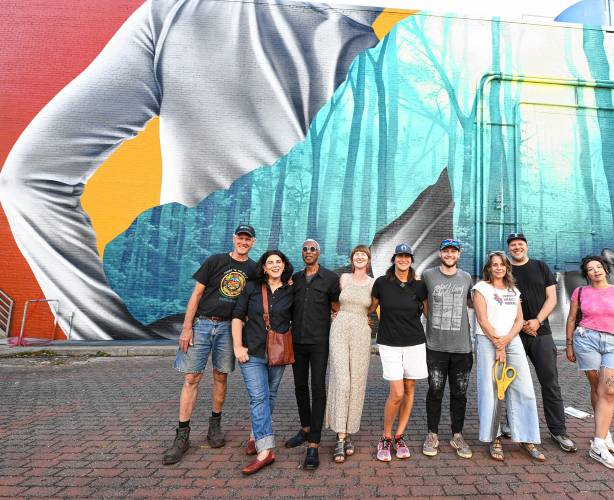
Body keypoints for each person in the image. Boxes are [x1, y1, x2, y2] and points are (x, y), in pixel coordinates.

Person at [0, 0, 382, 340]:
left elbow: (29, 181)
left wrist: (107, 331)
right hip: (267, 323)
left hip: (204, 316)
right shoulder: (382, 64)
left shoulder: (174, 13)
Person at [162, 224, 256, 465]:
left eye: (248, 239)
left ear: (253, 242)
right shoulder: (215, 261)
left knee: (221, 376)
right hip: (203, 325)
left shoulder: (253, 269)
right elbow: (196, 294)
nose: (243, 242)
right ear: (234, 238)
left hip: (228, 328)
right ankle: (182, 435)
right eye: (241, 238)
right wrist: (186, 327)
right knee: (192, 378)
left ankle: (215, 425)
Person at [565, 255, 614, 470]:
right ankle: (602, 436)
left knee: (608, 391)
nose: (596, 271)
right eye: (590, 269)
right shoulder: (580, 292)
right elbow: (571, 319)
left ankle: (598, 442)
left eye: (599, 267)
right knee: (596, 388)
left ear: (606, 270)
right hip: (586, 340)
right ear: (586, 274)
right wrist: (569, 345)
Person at [506, 232, 577, 453]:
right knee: (510, 383)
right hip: (513, 334)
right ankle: (512, 424)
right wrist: (520, 324)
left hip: (541, 333)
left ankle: (558, 430)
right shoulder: (504, 270)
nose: (517, 248)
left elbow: (552, 298)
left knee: (550, 382)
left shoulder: (541, 267)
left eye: (520, 244)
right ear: (509, 249)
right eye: (513, 245)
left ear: (526, 246)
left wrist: (537, 321)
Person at [472, 251, 545, 462]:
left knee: (524, 388)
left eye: (501, 265)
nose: (498, 268)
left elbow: (519, 320)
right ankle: (493, 437)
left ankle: (526, 437)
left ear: (506, 268)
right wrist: (498, 343)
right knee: (491, 390)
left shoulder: (514, 291)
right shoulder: (480, 289)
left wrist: (505, 342)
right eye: (494, 264)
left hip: (511, 340)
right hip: (488, 340)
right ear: (489, 268)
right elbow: (482, 319)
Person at [232, 250, 294, 475]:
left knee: (270, 395)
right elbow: (238, 316)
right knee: (258, 397)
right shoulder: (251, 287)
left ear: (284, 266)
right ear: (264, 267)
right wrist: (238, 346)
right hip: (252, 352)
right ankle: (266, 450)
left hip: (278, 353)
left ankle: (255, 435)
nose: (275, 265)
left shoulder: (291, 290)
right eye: (271, 262)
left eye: (279, 262)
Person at [285, 239, 340, 470]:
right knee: (299, 387)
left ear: (319, 253)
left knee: (318, 388)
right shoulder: (295, 279)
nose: (308, 252)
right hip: (297, 342)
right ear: (302, 252)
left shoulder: (330, 279)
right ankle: (305, 429)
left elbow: (337, 309)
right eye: (305, 248)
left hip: (319, 343)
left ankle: (314, 445)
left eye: (312, 249)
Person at [370, 243, 428, 462]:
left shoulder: (420, 286)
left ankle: (399, 436)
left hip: (414, 342)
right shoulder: (382, 284)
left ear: (411, 260)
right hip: (389, 343)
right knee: (397, 392)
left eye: (407, 256)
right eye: (399, 256)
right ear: (394, 259)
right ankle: (385, 437)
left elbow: (429, 313)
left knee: (410, 388)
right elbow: (369, 307)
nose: (403, 260)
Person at [420, 239, 474, 459]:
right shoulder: (428, 276)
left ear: (459, 254)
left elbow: (474, 304)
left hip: (462, 348)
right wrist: (429, 317)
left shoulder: (466, 278)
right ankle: (432, 434)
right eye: (446, 251)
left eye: (454, 251)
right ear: (439, 253)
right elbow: (423, 301)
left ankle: (457, 435)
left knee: (459, 394)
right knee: (435, 392)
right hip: (436, 346)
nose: (450, 254)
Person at [325, 245, 375, 463]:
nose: (360, 258)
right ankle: (339, 435)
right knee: (342, 381)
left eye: (363, 255)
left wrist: (365, 318)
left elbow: (373, 307)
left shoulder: (374, 283)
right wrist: (334, 313)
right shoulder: (343, 278)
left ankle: (348, 433)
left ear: (369, 260)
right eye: (356, 255)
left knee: (356, 383)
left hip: (361, 331)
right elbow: (331, 299)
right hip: (340, 328)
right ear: (352, 259)